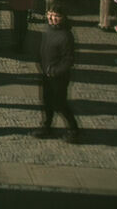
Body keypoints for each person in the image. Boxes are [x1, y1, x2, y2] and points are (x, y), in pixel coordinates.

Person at [33, 9, 80, 142]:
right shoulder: (49, 31)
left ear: (63, 17)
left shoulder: (66, 36)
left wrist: (55, 71)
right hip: (46, 73)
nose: (52, 18)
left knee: (60, 104)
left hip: (58, 77)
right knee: (47, 101)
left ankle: (74, 129)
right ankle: (47, 126)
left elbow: (68, 60)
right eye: (50, 14)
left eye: (56, 16)